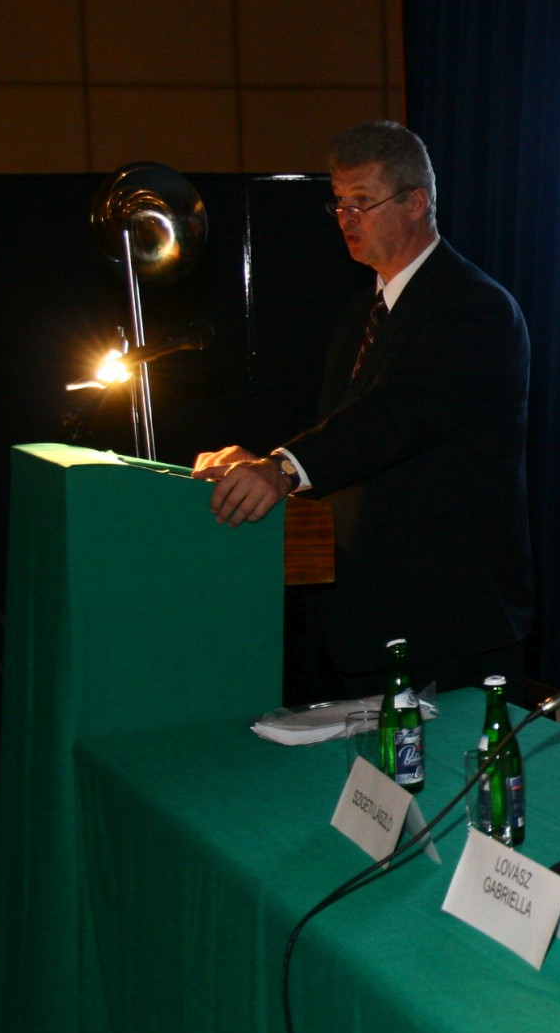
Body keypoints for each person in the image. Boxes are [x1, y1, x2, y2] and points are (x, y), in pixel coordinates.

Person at [195, 121, 535, 696]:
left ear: (416, 203)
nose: (346, 218)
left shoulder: (474, 307)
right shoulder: (361, 313)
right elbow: (344, 432)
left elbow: (399, 417)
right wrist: (263, 464)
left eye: (362, 201)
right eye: (338, 203)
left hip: (443, 619)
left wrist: (283, 469)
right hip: (360, 612)